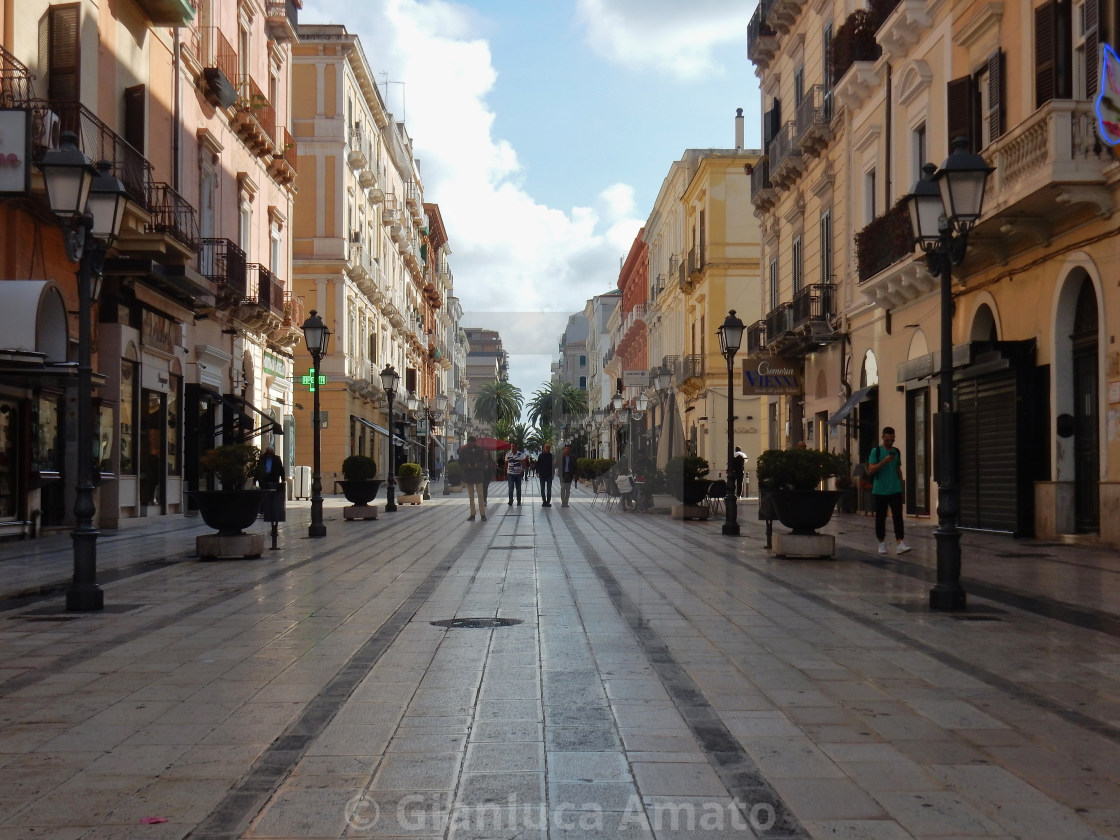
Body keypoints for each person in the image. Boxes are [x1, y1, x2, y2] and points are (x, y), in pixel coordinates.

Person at [868, 426, 911, 555]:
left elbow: (899, 470)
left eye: (892, 440)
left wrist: (902, 487)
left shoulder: (896, 452)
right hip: (880, 489)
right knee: (880, 517)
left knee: (898, 516)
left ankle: (900, 542)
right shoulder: (876, 452)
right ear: (882, 438)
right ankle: (881, 543)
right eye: (887, 440)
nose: (890, 443)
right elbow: (871, 470)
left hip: (895, 489)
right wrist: (884, 461)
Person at [458, 435, 488, 521]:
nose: (473, 444)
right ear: (469, 442)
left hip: (478, 475)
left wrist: (478, 465)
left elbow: (484, 461)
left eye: (474, 442)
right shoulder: (463, 451)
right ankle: (472, 514)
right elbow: (460, 462)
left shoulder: (480, 450)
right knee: (471, 496)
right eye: (471, 442)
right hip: (469, 475)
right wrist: (467, 465)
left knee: (480, 495)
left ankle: (482, 514)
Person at [256, 445, 286, 523]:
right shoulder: (262, 458)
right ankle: (263, 509)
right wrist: (255, 479)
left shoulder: (277, 458)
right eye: (268, 453)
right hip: (264, 479)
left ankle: (271, 507)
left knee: (272, 494)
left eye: (270, 453)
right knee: (263, 494)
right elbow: (258, 468)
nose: (269, 454)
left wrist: (283, 479)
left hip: (273, 479)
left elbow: (281, 469)